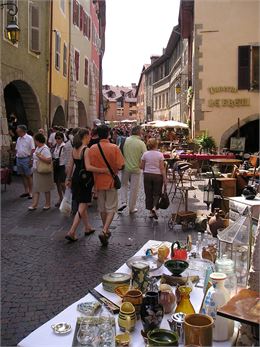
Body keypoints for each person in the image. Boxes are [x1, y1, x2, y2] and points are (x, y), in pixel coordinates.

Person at [65, 128, 109, 242]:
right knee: (83, 204)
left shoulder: (74, 149)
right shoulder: (86, 149)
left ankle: (87, 227)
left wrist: (68, 178)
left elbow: (70, 166)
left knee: (81, 203)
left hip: (75, 178)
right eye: (89, 136)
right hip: (85, 180)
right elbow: (88, 167)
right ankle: (72, 231)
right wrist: (103, 170)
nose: (90, 138)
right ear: (85, 136)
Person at [89, 125, 125, 246]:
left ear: (98, 134)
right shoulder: (114, 147)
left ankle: (106, 229)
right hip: (110, 181)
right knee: (111, 207)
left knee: (102, 208)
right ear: (108, 134)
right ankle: (104, 230)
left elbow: (90, 166)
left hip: (98, 181)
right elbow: (120, 165)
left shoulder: (93, 148)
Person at [119, 126, 147, 214]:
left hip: (125, 167)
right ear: (139, 133)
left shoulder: (125, 140)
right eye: (142, 132)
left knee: (123, 185)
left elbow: (119, 151)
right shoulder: (141, 143)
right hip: (136, 169)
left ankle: (123, 202)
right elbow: (145, 156)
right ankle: (132, 208)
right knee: (134, 189)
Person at [141, 138, 167, 220]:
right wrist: (165, 178)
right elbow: (162, 168)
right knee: (157, 193)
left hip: (147, 175)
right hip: (157, 175)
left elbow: (141, 166)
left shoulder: (145, 154)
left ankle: (151, 212)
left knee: (148, 193)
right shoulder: (160, 155)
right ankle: (154, 207)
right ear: (156, 144)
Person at [28, 133, 54, 210]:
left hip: (43, 171)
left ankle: (48, 204)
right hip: (37, 170)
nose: (34, 142)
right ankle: (34, 204)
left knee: (46, 188)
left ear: (38, 140)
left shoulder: (45, 149)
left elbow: (49, 160)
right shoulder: (38, 148)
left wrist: (40, 157)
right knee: (36, 188)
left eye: (35, 140)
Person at [15, 125, 35, 199]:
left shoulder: (29, 138)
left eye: (18, 131)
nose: (17, 132)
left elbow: (33, 149)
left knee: (28, 175)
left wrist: (31, 159)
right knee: (22, 175)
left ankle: (30, 192)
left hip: (26, 159)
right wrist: (16, 155)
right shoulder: (18, 139)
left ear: (23, 131)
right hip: (19, 158)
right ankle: (26, 191)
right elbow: (17, 148)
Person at [52, 132, 66, 207]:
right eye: (56, 138)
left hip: (62, 166)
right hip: (57, 166)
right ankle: (61, 198)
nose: (57, 140)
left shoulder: (64, 146)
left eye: (59, 138)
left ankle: (66, 199)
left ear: (62, 138)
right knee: (57, 183)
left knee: (62, 183)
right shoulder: (56, 146)